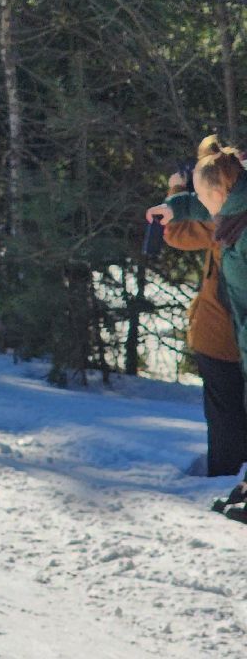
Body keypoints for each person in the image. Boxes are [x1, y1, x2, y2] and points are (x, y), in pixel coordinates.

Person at [150, 145, 247, 515]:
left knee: (227, 422)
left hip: (222, 335)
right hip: (225, 331)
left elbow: (178, 235)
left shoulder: (228, 214)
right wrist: (177, 200)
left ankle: (225, 479)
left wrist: (175, 192)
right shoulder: (230, 207)